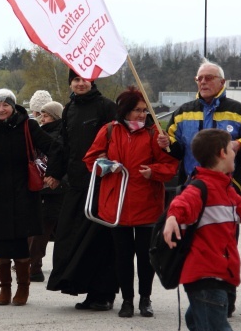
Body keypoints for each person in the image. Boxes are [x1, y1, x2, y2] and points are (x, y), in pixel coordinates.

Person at [158, 59, 241, 315]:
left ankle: (227, 300)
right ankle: (200, 299)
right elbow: (176, 149)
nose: (203, 82)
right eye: (199, 79)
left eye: (209, 78)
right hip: (193, 189)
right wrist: (167, 144)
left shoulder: (239, 111)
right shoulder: (183, 112)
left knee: (226, 246)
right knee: (195, 246)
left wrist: (240, 145)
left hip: (228, 190)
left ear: (222, 83)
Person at [163, 128, 241, 331]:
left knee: (200, 323)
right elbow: (183, 203)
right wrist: (172, 217)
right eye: (231, 148)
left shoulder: (225, 188)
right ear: (223, 154)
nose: (235, 152)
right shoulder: (201, 187)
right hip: (207, 276)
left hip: (216, 275)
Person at [83, 87, 179, 318]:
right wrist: (105, 165)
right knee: (122, 257)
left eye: (145, 110)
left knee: (146, 258)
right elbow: (90, 160)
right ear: (124, 110)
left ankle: (145, 299)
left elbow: (170, 166)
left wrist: (153, 171)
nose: (142, 115)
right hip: (116, 205)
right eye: (137, 110)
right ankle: (127, 300)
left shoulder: (155, 133)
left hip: (146, 204)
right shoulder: (108, 131)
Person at [45, 69, 119, 311]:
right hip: (76, 186)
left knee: (99, 242)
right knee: (71, 239)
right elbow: (63, 145)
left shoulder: (106, 107)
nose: (80, 83)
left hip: (102, 185)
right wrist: (55, 173)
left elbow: (116, 142)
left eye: (84, 79)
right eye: (75, 80)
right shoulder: (69, 109)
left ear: (93, 80)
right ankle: (85, 290)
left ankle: (104, 294)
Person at [0, 89, 53, 306]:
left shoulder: (29, 126)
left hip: (23, 192)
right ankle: (5, 289)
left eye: (5, 105)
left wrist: (53, 173)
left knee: (20, 244)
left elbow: (52, 147)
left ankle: (23, 288)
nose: (1, 109)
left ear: (13, 106)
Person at [28, 100, 65, 283]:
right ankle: (32, 264)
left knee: (43, 229)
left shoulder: (59, 135)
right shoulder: (41, 133)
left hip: (53, 189)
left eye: (47, 115)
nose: (43, 118)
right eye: (41, 114)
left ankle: (35, 267)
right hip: (43, 188)